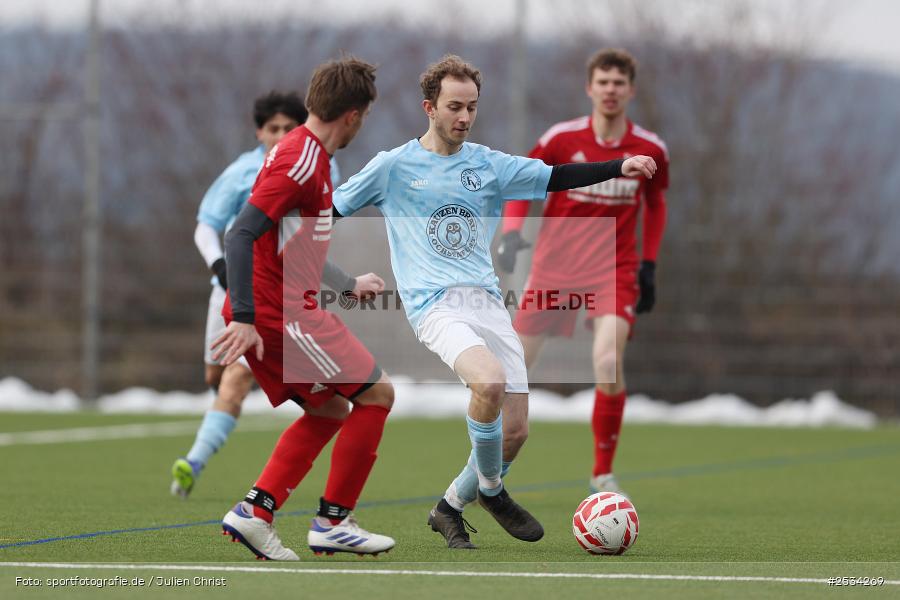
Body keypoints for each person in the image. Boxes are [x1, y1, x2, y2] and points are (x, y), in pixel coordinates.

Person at [332, 55, 656, 549]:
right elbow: (328, 209)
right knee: (489, 382)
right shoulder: (393, 166)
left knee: (516, 431)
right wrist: (333, 275)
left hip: (487, 302)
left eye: (472, 108)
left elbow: (556, 177)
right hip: (434, 306)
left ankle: (448, 508)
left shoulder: (487, 163)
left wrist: (620, 165)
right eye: (454, 107)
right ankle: (491, 490)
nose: (464, 117)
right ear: (429, 108)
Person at [211, 57, 396, 560]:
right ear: (354, 115)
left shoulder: (309, 157)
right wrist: (247, 318)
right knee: (376, 394)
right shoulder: (302, 159)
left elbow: (291, 243)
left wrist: (346, 282)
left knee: (332, 407)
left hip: (283, 308)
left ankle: (256, 512)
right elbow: (241, 233)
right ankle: (334, 521)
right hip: (280, 314)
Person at [498, 48, 669, 496]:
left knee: (608, 362)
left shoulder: (651, 149)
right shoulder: (560, 139)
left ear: (630, 90)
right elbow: (520, 184)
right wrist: (513, 232)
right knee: (510, 370)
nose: (610, 90)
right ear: (589, 87)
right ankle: (485, 466)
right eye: (603, 81)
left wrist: (648, 263)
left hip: (614, 272)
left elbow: (655, 202)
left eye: (619, 82)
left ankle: (602, 474)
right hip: (554, 271)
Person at [171, 92, 352, 499]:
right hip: (229, 292)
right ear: (259, 132)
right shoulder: (243, 171)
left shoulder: (321, 164)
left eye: (291, 127)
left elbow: (310, 233)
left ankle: (194, 463)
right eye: (274, 129)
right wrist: (221, 269)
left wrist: (335, 280)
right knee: (217, 378)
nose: (283, 135)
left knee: (236, 378)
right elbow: (207, 226)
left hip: (273, 296)